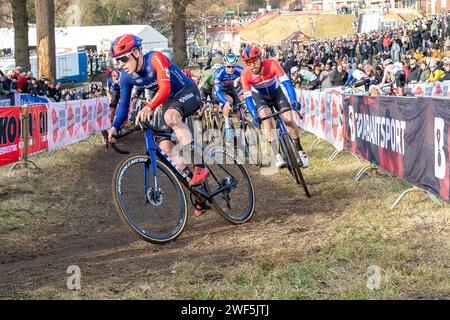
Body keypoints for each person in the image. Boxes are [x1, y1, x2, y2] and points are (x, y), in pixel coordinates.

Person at [106, 34, 209, 216]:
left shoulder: (155, 58)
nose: (121, 64)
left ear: (136, 52)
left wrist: (150, 106)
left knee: (171, 117)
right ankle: (200, 193)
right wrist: (114, 126)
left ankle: (200, 165)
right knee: (166, 149)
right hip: (167, 101)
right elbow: (123, 105)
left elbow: (165, 88)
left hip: (186, 91)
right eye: (117, 61)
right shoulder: (125, 77)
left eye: (123, 58)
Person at [240, 45, 309, 169]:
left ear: (260, 59)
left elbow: (287, 83)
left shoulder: (272, 64)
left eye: (254, 61)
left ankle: (300, 150)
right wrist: (254, 115)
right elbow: (248, 98)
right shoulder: (245, 75)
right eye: (248, 63)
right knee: (267, 120)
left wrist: (293, 100)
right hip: (260, 98)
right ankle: (277, 154)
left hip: (276, 93)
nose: (252, 65)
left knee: (288, 119)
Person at [213, 53, 243, 141]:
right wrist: (225, 102)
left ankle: (241, 130)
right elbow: (218, 91)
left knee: (240, 109)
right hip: (220, 91)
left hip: (231, 89)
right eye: (229, 66)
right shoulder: (219, 72)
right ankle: (227, 127)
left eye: (233, 66)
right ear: (225, 65)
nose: (231, 69)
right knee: (229, 101)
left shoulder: (240, 70)